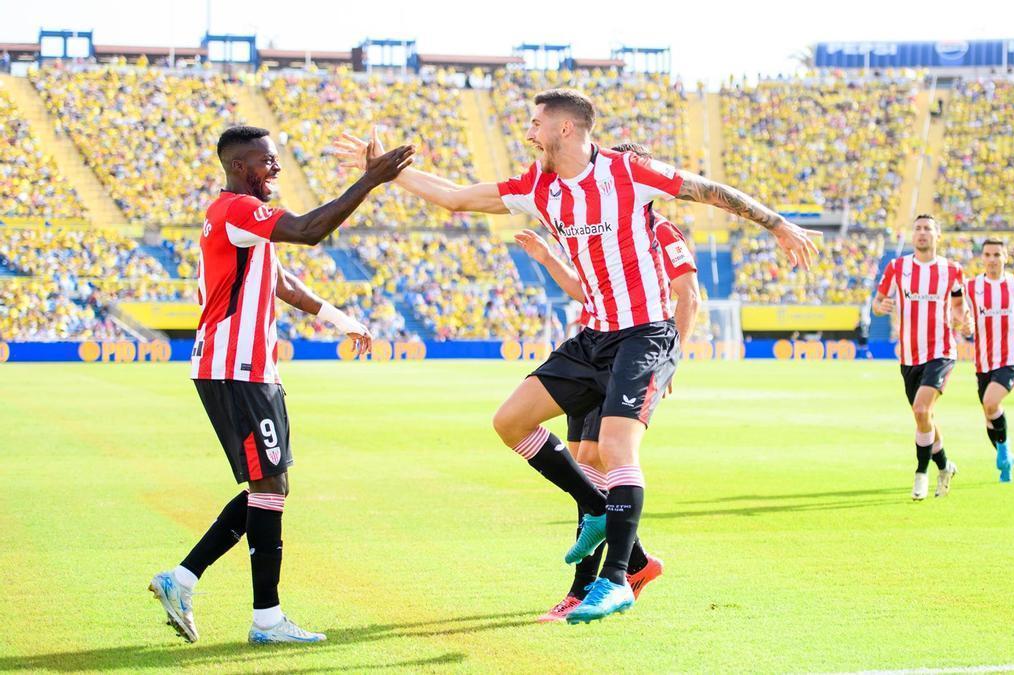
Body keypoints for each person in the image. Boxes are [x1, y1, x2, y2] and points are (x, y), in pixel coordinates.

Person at [332, 88, 819, 623]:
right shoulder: (538, 187)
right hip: (592, 337)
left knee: (613, 449)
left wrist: (778, 224)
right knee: (510, 422)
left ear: (566, 129)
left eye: (537, 122)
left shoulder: (627, 172)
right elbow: (455, 197)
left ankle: (615, 580)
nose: (528, 131)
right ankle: (593, 506)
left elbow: (708, 190)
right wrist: (386, 173)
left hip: (644, 334)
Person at [148, 125, 412, 645]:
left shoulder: (238, 220)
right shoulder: (238, 209)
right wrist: (370, 181)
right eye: (268, 161)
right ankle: (265, 620)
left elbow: (279, 280)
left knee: (271, 487)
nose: (277, 169)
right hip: (235, 367)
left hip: (248, 368)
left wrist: (341, 319)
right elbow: (311, 229)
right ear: (243, 166)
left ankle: (181, 580)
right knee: (269, 487)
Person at [514, 142, 699, 622]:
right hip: (592, 347)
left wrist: (670, 359)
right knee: (585, 466)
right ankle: (633, 563)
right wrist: (547, 255)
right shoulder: (602, 235)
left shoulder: (662, 232)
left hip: (631, 351)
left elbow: (689, 298)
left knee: (597, 464)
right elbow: (583, 290)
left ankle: (590, 585)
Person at [871, 215, 967, 501]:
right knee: (924, 417)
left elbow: (960, 307)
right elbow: (877, 303)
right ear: (913, 235)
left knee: (922, 411)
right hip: (910, 355)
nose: (922, 233)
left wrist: (961, 320)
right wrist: (881, 305)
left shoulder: (952, 270)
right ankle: (945, 465)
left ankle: (921, 474)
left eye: (928, 229)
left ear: (938, 235)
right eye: (918, 228)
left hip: (941, 351)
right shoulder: (897, 268)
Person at [964, 239, 1014, 482]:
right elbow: (960, 312)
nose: (992, 259)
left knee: (991, 402)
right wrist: (963, 323)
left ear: (1005, 257)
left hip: (1010, 357)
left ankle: (1004, 453)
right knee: (990, 415)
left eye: (997, 254)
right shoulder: (971, 286)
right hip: (983, 361)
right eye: (987, 254)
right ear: (982, 258)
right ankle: (1006, 458)